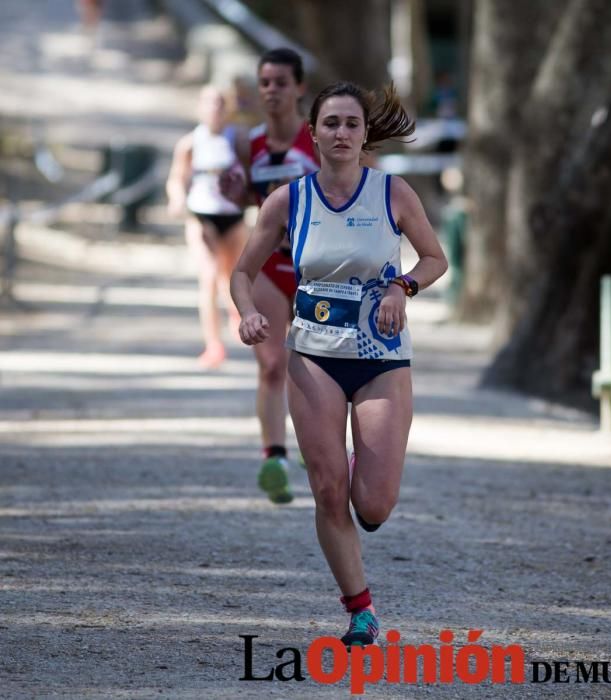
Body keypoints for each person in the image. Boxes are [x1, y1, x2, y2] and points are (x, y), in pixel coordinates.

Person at [230, 81, 448, 647]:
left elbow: (435, 257)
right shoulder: (288, 200)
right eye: (331, 124)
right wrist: (248, 314)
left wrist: (404, 285)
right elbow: (241, 272)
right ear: (314, 132)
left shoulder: (392, 193)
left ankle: (353, 461)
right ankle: (360, 611)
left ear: (365, 133)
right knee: (328, 492)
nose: (342, 133)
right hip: (314, 359)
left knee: (372, 505)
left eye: (352, 124)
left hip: (381, 360)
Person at [236, 48, 320, 504]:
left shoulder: (321, 138)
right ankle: (275, 458)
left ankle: (316, 444)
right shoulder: (247, 144)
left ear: (299, 87)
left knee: (313, 364)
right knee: (271, 364)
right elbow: (251, 202)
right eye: (265, 81)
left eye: (281, 82)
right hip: (270, 264)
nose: (271, 90)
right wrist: (238, 194)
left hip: (317, 269)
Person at [167, 85, 247, 369]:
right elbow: (176, 178)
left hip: (233, 216)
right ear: (200, 107)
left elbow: (251, 171)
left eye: (220, 103)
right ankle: (213, 345)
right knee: (210, 275)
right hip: (202, 215)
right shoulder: (190, 144)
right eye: (210, 103)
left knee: (232, 275)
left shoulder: (238, 139)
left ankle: (235, 312)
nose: (215, 108)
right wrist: (177, 199)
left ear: (228, 109)